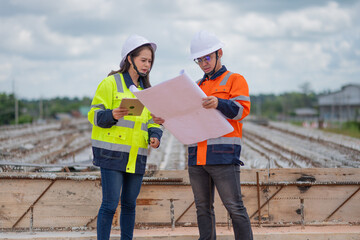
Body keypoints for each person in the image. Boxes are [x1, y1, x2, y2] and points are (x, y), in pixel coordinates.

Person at [88, 34, 163, 240]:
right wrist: (111, 114)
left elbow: (153, 121)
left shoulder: (148, 91)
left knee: (130, 205)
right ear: (130, 59)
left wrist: (155, 135)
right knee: (110, 205)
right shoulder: (110, 83)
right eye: (143, 60)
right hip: (112, 155)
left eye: (150, 61)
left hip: (136, 155)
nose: (147, 65)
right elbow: (93, 115)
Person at [188, 30, 253, 240]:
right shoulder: (196, 86)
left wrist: (219, 103)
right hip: (197, 156)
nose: (204, 63)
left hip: (223, 155)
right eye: (199, 60)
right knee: (202, 209)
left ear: (220, 53)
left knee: (235, 208)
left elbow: (241, 110)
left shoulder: (235, 79)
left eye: (207, 57)